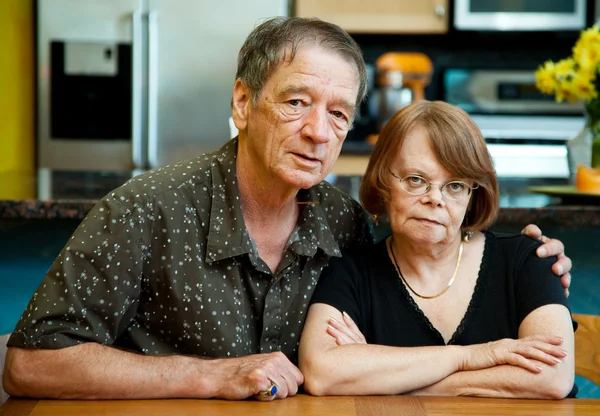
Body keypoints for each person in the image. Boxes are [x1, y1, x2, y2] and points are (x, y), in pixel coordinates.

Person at [3, 18, 571, 401]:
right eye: (297, 102)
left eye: (340, 114)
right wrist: (211, 375)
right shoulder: (146, 210)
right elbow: (29, 364)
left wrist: (522, 258)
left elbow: (376, 343)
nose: (318, 133)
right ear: (244, 103)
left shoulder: (342, 222)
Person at [299, 100, 576, 399]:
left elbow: (553, 377)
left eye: (455, 185)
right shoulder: (350, 273)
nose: (435, 198)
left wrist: (388, 378)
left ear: (473, 194)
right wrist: (468, 357)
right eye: (416, 180)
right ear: (382, 183)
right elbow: (322, 373)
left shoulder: (528, 259)